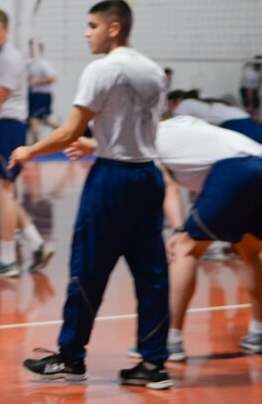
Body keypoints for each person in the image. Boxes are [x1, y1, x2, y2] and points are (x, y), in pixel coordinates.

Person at [14, 0, 172, 389]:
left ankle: (70, 357)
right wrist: (97, 143)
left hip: (113, 181)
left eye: (92, 26)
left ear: (113, 28)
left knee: (88, 268)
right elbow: (138, 127)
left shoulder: (102, 69)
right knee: (152, 275)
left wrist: (30, 151)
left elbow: (68, 131)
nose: (87, 33)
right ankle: (154, 365)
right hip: (148, 176)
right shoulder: (153, 71)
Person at [67, 115, 262, 361]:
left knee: (184, 250)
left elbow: (168, 187)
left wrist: (180, 230)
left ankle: (170, 339)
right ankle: (258, 332)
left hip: (235, 171)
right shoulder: (178, 124)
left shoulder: (142, 144)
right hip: (258, 160)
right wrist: (94, 145)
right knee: (250, 249)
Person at [0, 8, 51, 278]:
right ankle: (37, 244)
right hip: (2, 126)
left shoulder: (10, 58)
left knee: (2, 192)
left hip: (8, 127)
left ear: (6, 30)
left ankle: (7, 260)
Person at [169, 92, 262, 143]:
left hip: (234, 124)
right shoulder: (203, 100)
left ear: (178, 99)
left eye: (169, 104)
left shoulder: (186, 103)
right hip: (246, 120)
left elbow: (177, 123)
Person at [27, 40, 60, 144]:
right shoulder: (31, 63)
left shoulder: (43, 63)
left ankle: (35, 144)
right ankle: (65, 134)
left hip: (42, 96)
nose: (31, 50)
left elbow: (53, 78)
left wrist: (36, 81)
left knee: (35, 119)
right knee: (44, 120)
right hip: (34, 95)